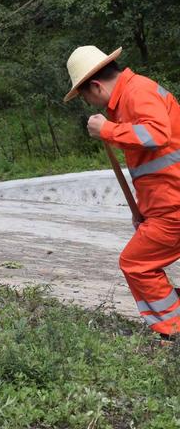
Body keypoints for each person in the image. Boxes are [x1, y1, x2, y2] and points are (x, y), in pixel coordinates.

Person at [64, 45, 180, 340]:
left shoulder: (136, 93)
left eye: (86, 97)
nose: (93, 105)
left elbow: (157, 134)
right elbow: (152, 168)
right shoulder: (131, 96)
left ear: (95, 86)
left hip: (175, 206)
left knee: (136, 263)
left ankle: (174, 330)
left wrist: (108, 131)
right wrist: (144, 213)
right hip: (166, 204)